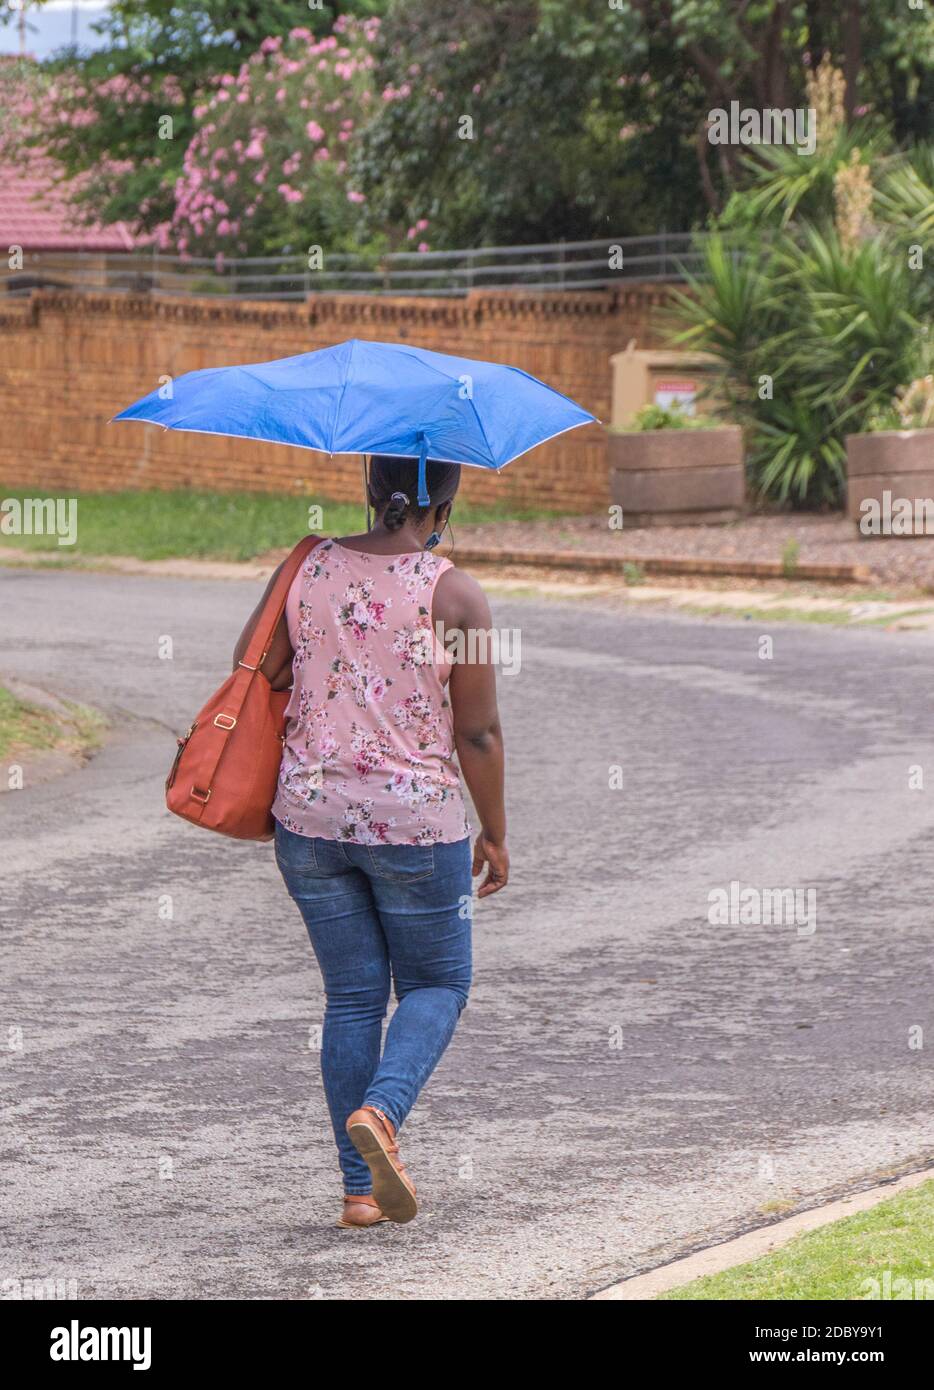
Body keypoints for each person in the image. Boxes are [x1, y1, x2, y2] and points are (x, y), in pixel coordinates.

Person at [232, 456, 508, 1227]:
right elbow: (478, 732)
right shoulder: (456, 594)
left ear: (367, 492)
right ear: (446, 507)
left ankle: (359, 1191)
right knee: (439, 986)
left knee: (353, 998)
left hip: (310, 820)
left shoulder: (305, 566)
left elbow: (252, 666)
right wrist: (497, 833)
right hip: (415, 824)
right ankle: (382, 1114)